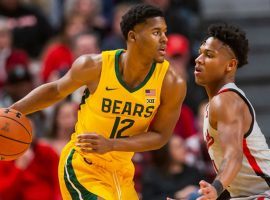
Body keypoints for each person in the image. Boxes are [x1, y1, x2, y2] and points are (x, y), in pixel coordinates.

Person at [10, 4, 186, 200]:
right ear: (132, 36)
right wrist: (12, 111)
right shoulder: (94, 66)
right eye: (156, 32)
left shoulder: (171, 82)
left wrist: (111, 144)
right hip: (83, 165)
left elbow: (161, 136)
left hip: (121, 173)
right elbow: (55, 90)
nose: (164, 39)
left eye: (164, 32)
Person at [194, 23, 270, 200]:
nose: (198, 59)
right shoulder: (216, 102)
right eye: (200, 52)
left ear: (230, 65)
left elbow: (234, 155)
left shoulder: (226, 100)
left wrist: (216, 188)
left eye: (209, 55)